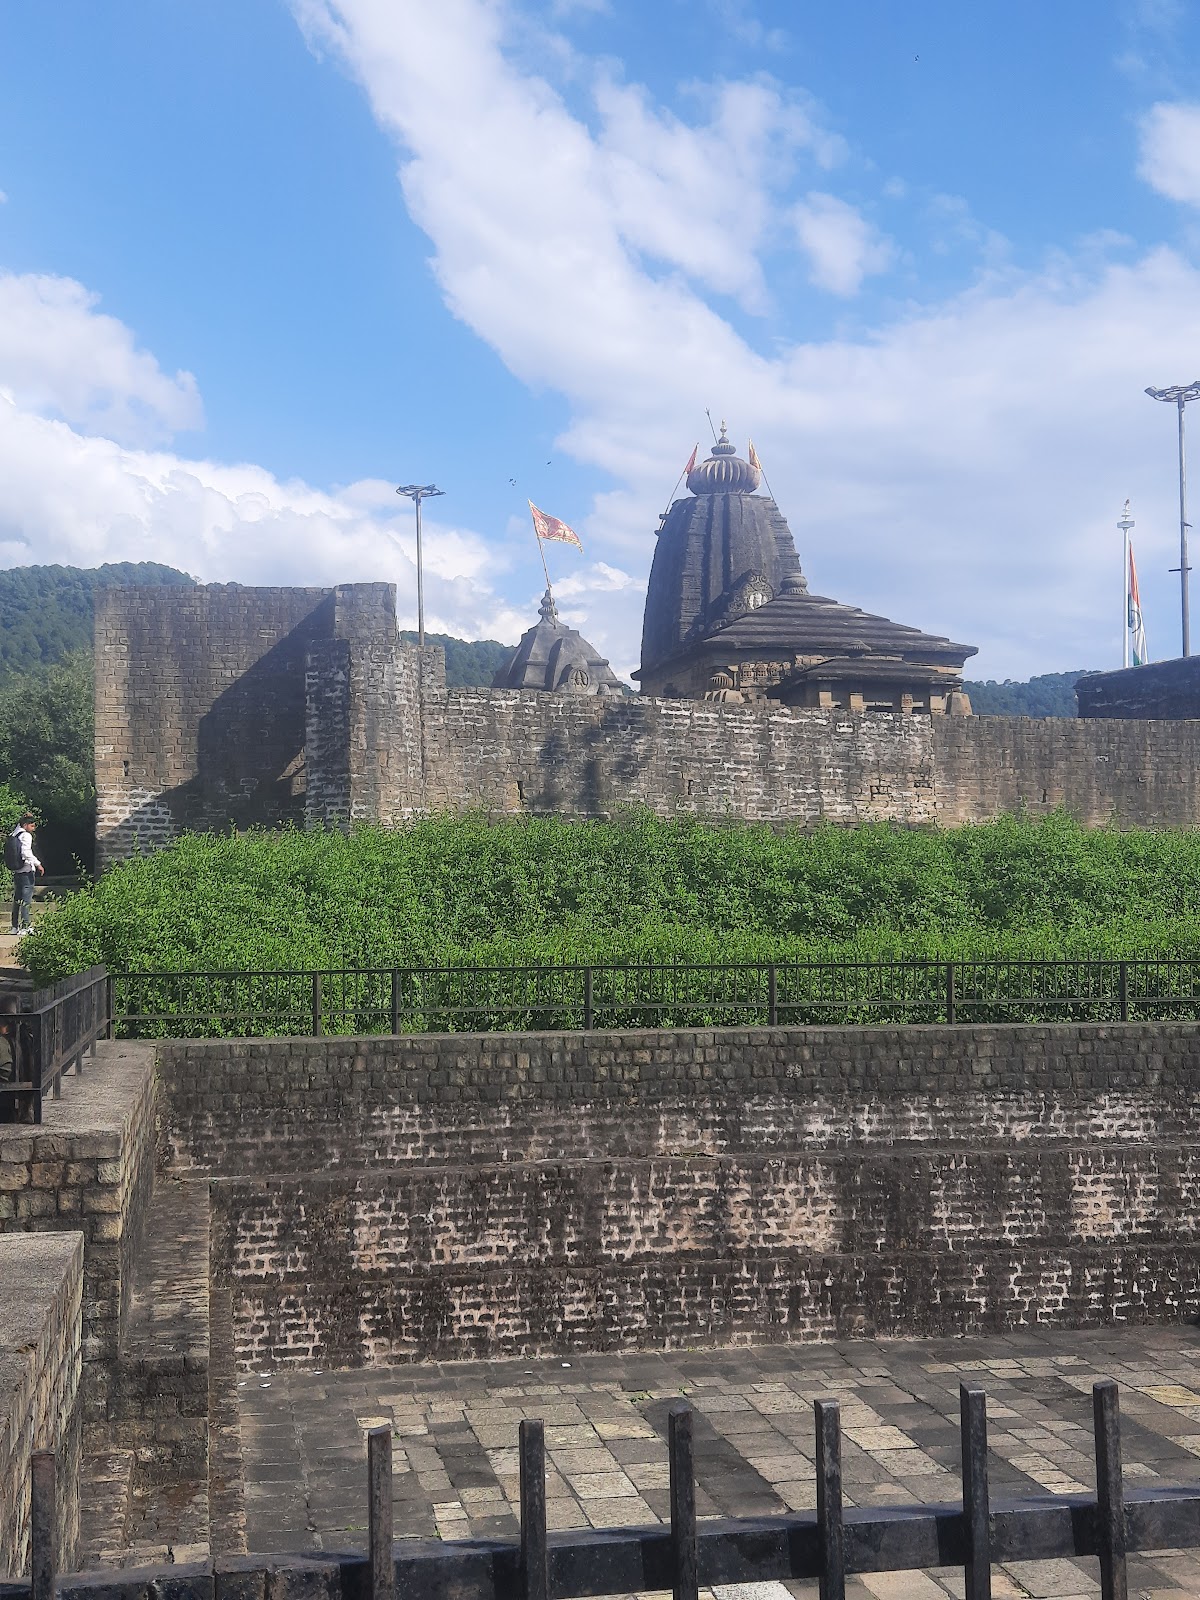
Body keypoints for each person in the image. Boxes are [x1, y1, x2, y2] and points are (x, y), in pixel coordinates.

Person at [8, 813, 43, 936]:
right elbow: (26, 852)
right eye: (32, 826)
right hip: (26, 870)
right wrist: (38, 864)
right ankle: (25, 927)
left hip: (17, 871)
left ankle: (14, 927)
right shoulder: (26, 836)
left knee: (17, 899)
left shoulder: (14, 834)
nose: (33, 828)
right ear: (26, 825)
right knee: (26, 900)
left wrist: (25, 816)